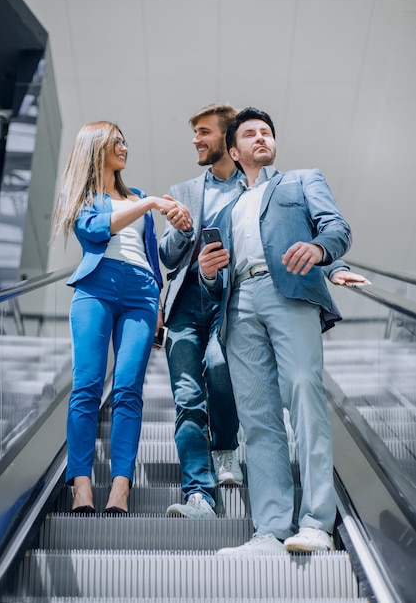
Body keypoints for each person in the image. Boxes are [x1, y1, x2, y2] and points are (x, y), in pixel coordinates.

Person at [198, 107, 353, 553]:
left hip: (288, 292)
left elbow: (337, 228)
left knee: (304, 393)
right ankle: (270, 529)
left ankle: (317, 524)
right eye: (250, 134)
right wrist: (210, 274)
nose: (262, 138)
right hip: (239, 304)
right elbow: (215, 282)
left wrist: (321, 249)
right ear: (234, 149)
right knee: (258, 420)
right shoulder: (226, 209)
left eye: (267, 132)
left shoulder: (302, 180)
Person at [52, 120, 191, 515]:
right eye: (117, 143)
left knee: (128, 390)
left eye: (126, 142)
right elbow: (94, 232)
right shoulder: (80, 195)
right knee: (88, 386)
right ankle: (81, 485)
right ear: (96, 148)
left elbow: (151, 254)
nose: (125, 148)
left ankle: (120, 487)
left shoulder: (138, 197)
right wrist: (148, 204)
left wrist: (160, 300)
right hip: (95, 287)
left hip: (142, 294)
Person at [159, 103, 244, 519]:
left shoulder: (253, 188)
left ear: (227, 139)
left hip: (231, 298)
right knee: (188, 397)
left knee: (220, 365)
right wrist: (182, 231)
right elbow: (166, 256)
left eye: (204, 132)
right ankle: (199, 494)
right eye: (194, 133)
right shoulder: (184, 189)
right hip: (185, 301)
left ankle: (226, 446)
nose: (196, 140)